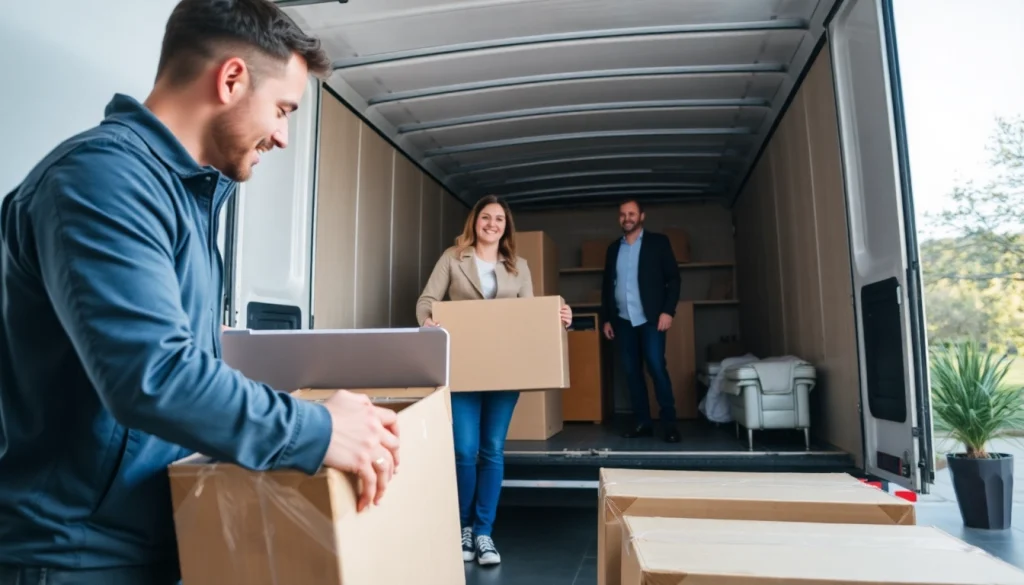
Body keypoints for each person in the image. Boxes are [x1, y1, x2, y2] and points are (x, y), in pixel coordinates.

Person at [0, 1, 400, 584]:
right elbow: (153, 375)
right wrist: (319, 430)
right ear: (231, 79)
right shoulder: (102, 180)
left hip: (143, 543)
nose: (283, 136)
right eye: (283, 110)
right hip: (74, 559)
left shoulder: (180, 195)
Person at [416, 195, 572, 567]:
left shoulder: (519, 266)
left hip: (505, 369)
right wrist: (427, 322)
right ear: (475, 221)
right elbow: (427, 299)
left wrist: (560, 317)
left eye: (499, 219)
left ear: (506, 226)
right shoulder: (453, 258)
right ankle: (464, 528)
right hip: (464, 368)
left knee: (491, 450)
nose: (492, 224)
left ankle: (484, 532)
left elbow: (530, 314)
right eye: (486, 217)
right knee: (464, 450)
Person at [600, 199, 682, 443]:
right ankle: (643, 423)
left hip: (651, 319)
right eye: (623, 214)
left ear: (641, 216)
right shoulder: (613, 249)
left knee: (656, 367)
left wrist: (668, 311)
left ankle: (670, 425)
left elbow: (674, 279)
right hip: (622, 321)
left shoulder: (658, 243)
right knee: (631, 372)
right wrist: (607, 319)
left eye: (632, 213)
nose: (627, 218)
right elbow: (607, 286)